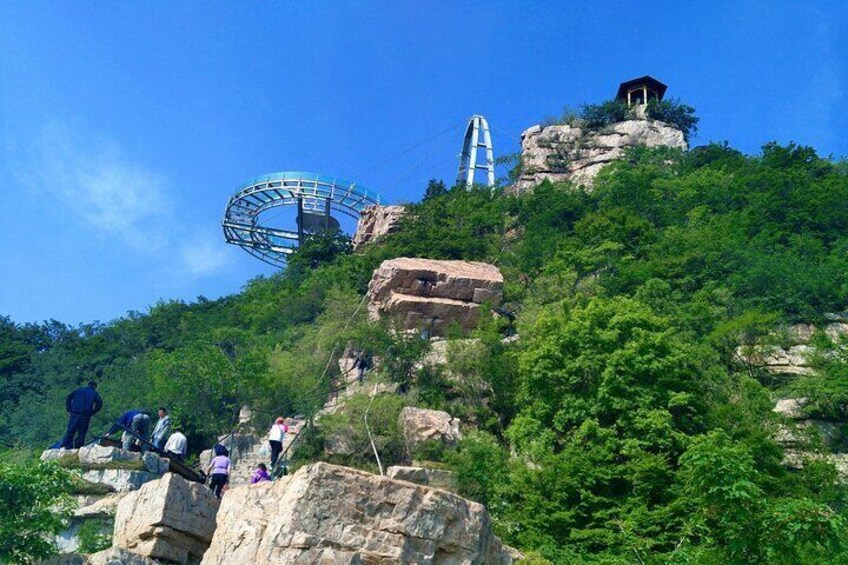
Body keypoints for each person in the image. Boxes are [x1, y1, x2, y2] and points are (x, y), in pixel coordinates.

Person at [60, 381, 103, 448]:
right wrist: (93, 412)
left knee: (70, 430)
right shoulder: (94, 393)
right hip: (85, 415)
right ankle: (78, 447)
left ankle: (66, 446)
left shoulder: (79, 390)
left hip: (75, 413)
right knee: (82, 433)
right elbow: (99, 403)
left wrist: (69, 408)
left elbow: (69, 397)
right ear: (94, 386)